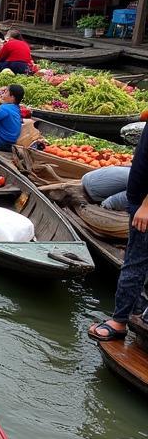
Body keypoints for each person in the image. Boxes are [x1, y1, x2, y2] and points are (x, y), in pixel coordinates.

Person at [88, 128, 148, 341]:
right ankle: (137, 310)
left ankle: (119, 321)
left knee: (135, 262)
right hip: (138, 200)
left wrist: (146, 206)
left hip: (144, 205)